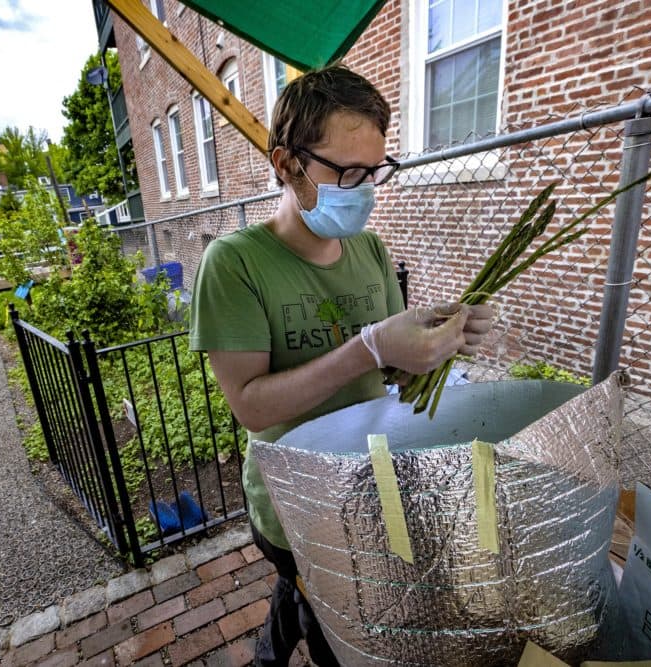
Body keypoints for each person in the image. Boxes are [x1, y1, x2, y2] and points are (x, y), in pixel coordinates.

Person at [189, 64, 493, 666]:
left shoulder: (370, 249)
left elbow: (392, 375)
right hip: (295, 501)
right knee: (338, 633)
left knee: (318, 595)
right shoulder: (234, 264)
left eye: (373, 171)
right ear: (286, 165)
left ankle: (274, 643)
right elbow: (249, 405)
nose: (364, 189)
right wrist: (370, 347)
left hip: (371, 482)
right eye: (346, 172)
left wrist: (437, 343)